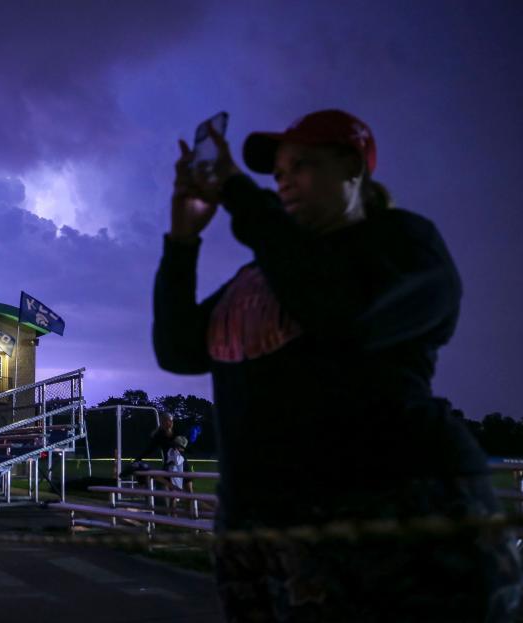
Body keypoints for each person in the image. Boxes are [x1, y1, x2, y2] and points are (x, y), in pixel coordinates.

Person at [154, 109, 522, 621]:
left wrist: (239, 192)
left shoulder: (403, 242)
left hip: (393, 516)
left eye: (301, 165)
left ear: (353, 167)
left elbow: (343, 315)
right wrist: (183, 239)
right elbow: (176, 349)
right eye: (276, 173)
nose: (282, 181)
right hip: (261, 530)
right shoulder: (265, 271)